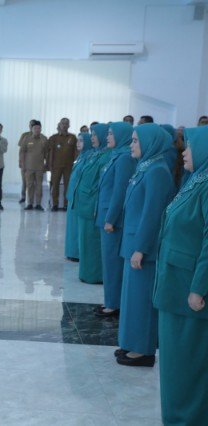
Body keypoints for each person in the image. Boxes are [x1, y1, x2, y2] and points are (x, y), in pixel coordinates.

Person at [154, 126, 208, 424]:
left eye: (189, 147)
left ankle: (188, 419)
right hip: (174, 284)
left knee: (186, 362)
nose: (183, 152)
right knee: (175, 362)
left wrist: (199, 288)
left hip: (189, 291)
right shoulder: (196, 179)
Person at [116, 123, 175, 367]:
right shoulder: (146, 166)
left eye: (135, 141)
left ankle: (143, 350)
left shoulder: (157, 171)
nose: (131, 145)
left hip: (142, 248)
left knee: (141, 299)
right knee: (131, 297)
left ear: (149, 142)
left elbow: (152, 214)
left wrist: (141, 248)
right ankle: (131, 342)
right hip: (132, 241)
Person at [94, 122, 137, 317]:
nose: (107, 137)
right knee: (108, 261)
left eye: (111, 134)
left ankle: (113, 304)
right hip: (105, 214)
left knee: (112, 262)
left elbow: (119, 191)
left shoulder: (124, 158)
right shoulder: (117, 155)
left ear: (121, 135)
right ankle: (110, 300)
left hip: (113, 220)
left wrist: (111, 219)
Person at [73, 123, 112, 284]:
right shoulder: (96, 154)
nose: (92, 138)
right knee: (85, 241)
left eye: (95, 135)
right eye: (92, 135)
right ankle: (86, 272)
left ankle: (94, 275)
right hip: (84, 204)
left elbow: (102, 184)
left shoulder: (107, 156)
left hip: (92, 206)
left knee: (92, 242)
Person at [64, 132, 93, 262]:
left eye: (81, 141)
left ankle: (76, 253)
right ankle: (71, 251)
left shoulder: (89, 158)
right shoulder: (81, 156)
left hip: (79, 197)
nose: (78, 143)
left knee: (77, 227)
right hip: (73, 196)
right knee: (71, 227)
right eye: (78, 140)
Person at [47, 118, 77, 211]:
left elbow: (76, 152)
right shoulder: (53, 138)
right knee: (55, 185)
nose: (64, 125)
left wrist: (76, 164)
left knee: (68, 186)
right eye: (63, 123)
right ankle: (54, 204)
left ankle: (66, 204)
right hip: (56, 166)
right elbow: (49, 152)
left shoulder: (73, 137)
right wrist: (49, 165)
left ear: (69, 125)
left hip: (69, 166)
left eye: (66, 123)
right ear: (59, 125)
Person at [20, 120, 48, 211]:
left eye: (39, 128)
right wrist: (22, 164)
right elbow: (22, 152)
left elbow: (47, 153)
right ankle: (30, 204)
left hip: (40, 167)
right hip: (28, 167)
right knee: (29, 185)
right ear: (32, 129)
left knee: (39, 186)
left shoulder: (44, 139)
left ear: (41, 129)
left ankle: (38, 204)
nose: (37, 130)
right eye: (35, 128)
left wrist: (46, 164)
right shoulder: (27, 138)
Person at [17, 119, 37, 204]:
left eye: (33, 125)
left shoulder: (39, 136)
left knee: (34, 182)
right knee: (24, 180)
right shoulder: (25, 135)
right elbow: (21, 149)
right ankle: (23, 196)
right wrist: (20, 161)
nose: (31, 126)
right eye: (30, 125)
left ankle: (33, 198)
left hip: (35, 162)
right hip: (25, 161)